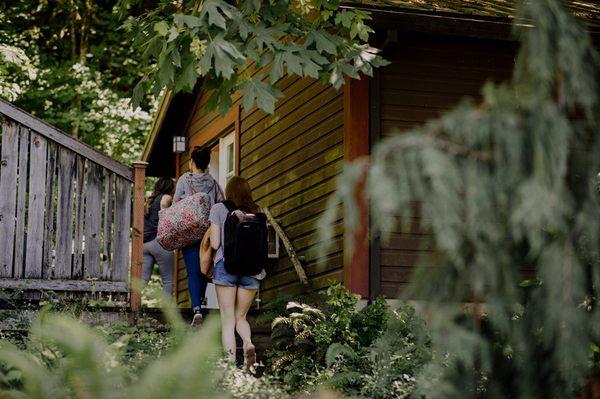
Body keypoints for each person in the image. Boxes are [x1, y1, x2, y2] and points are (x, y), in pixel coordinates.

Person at [209, 176, 266, 367]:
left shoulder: (218, 208)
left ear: (229, 191)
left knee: (228, 319)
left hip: (226, 267)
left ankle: (231, 366)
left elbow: (216, 243)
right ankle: (248, 343)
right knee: (241, 317)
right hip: (252, 270)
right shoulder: (257, 211)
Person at [174, 146, 224, 325]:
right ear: (207, 163)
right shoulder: (213, 183)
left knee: (193, 271)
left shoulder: (184, 180)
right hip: (208, 234)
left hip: (188, 233)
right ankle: (203, 304)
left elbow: (175, 207)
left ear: (192, 162)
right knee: (206, 270)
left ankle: (197, 309)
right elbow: (220, 206)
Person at [142, 177, 175, 297]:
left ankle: (127, 303)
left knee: (143, 280)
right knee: (168, 281)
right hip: (158, 242)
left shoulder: (149, 201)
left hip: (145, 245)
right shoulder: (166, 197)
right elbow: (164, 204)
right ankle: (168, 313)